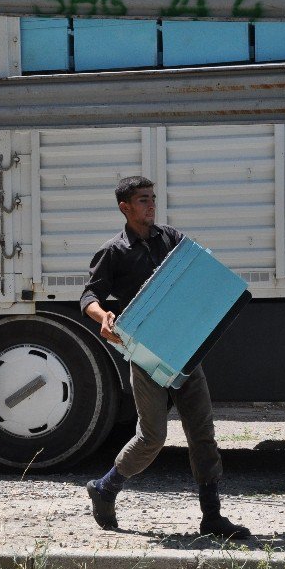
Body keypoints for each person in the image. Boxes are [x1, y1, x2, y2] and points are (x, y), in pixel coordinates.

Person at [80, 176, 250, 539]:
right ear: (125, 207)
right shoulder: (114, 251)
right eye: (143, 200)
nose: (151, 206)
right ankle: (106, 487)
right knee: (152, 436)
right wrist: (104, 316)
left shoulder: (171, 238)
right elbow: (88, 297)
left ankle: (212, 516)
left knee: (202, 434)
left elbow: (197, 273)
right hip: (146, 354)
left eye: (152, 199)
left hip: (185, 351)